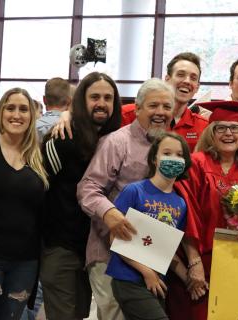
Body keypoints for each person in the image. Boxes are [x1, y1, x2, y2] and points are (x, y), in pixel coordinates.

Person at [76, 78, 176, 320]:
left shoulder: (169, 147)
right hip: (109, 254)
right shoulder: (117, 142)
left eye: (166, 107)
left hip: (151, 256)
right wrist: (110, 213)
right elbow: (88, 187)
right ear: (138, 108)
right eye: (153, 106)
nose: (160, 112)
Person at [172, 100, 238, 320]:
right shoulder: (196, 164)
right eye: (221, 128)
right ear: (211, 133)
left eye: (234, 128)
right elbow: (185, 214)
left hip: (236, 265)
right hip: (200, 263)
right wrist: (194, 263)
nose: (228, 134)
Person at [40, 72, 122, 320]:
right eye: (94, 96)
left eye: (108, 98)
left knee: (79, 313)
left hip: (94, 248)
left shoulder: (115, 139)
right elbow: (41, 188)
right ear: (80, 101)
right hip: (61, 247)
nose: (101, 103)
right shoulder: (62, 138)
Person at [0, 87, 48, 319]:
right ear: (0, 113)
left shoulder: (39, 154)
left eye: (23, 109)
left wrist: (68, 115)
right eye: (10, 108)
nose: (16, 115)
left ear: (32, 115)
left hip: (25, 261)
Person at [107, 132, 191, 320]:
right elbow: (114, 238)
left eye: (179, 155)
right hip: (128, 278)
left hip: (156, 282)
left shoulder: (180, 203)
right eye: (167, 153)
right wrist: (146, 271)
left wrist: (189, 279)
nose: (174, 159)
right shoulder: (134, 191)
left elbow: (166, 249)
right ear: (154, 158)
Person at [120, 52, 208, 152]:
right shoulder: (128, 114)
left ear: (197, 87)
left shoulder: (203, 127)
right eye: (181, 75)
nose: (187, 81)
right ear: (167, 79)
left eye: (193, 78)